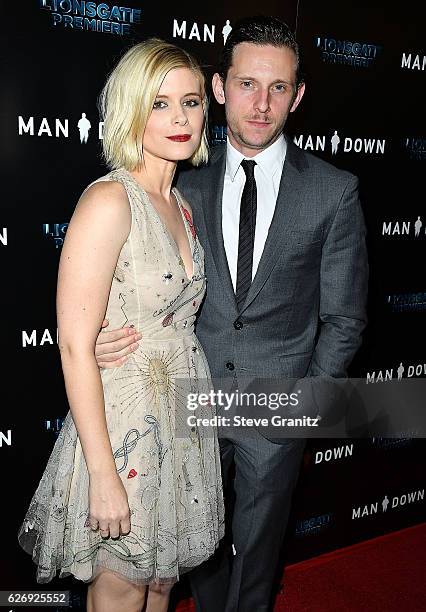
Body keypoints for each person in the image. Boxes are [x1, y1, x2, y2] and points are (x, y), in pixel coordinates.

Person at [95, 16, 369, 612]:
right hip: (188, 395)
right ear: (219, 89)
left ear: (297, 96)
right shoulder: (178, 183)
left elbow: (345, 318)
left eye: (277, 88)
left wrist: (303, 403)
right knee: (196, 549)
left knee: (260, 551)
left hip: (277, 401)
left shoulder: (333, 191)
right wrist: (100, 338)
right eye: (247, 84)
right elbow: (132, 286)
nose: (261, 104)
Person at [17, 39, 225, 612]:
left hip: (182, 414)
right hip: (124, 419)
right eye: (159, 104)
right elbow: (75, 348)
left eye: (190, 101)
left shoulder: (180, 204)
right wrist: (104, 474)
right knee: (120, 584)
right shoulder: (110, 200)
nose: (180, 118)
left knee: (161, 582)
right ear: (132, 110)